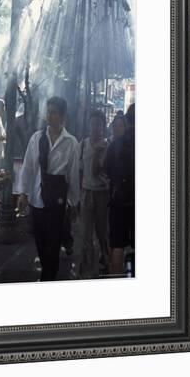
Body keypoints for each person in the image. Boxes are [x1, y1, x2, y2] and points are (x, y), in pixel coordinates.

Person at [17, 97, 80, 281]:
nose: (50, 116)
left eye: (54, 112)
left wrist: (74, 203)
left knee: (53, 243)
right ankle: (48, 271)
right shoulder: (37, 139)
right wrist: (23, 193)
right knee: (40, 241)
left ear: (62, 116)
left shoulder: (71, 143)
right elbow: (28, 167)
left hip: (58, 201)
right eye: (48, 112)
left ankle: (48, 277)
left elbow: (73, 175)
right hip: (37, 199)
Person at [104, 103, 135, 275]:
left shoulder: (115, 145)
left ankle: (116, 279)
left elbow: (106, 170)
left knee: (117, 245)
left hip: (118, 202)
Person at [79, 110, 110, 278]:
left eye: (98, 124)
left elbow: (107, 170)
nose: (95, 127)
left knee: (101, 233)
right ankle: (87, 269)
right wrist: (76, 196)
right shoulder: (82, 144)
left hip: (102, 196)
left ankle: (105, 261)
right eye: (92, 124)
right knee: (85, 234)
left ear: (103, 127)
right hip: (86, 193)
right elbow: (79, 170)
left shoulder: (107, 146)